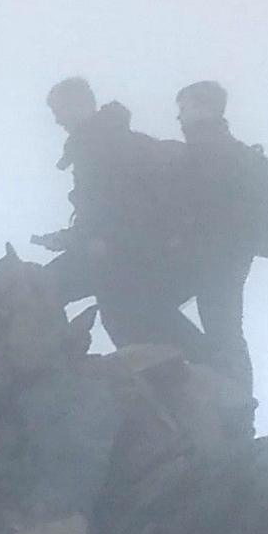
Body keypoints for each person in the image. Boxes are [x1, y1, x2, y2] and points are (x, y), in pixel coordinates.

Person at [37, 79, 196, 351]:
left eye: (59, 111)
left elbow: (116, 208)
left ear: (80, 105)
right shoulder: (107, 141)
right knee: (131, 314)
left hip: (122, 252)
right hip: (130, 250)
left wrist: (91, 240)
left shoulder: (100, 146)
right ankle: (202, 365)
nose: (57, 121)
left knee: (47, 289)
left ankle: (192, 365)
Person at [172, 82, 268, 422]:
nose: (179, 116)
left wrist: (224, 236)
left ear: (202, 108)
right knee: (224, 330)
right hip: (221, 259)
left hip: (210, 258)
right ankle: (233, 401)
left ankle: (231, 401)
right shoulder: (242, 158)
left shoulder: (211, 157)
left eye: (184, 107)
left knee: (219, 331)